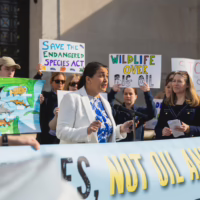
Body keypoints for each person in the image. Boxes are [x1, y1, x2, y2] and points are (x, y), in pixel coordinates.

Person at [56, 62, 134, 144]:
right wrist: (86, 131)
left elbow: (104, 134)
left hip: (102, 155)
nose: (106, 80)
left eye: (107, 76)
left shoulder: (105, 102)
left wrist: (121, 129)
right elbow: (61, 132)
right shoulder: (72, 98)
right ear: (88, 79)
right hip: (80, 155)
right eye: (101, 76)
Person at [155, 71, 200, 139]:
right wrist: (162, 131)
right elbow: (158, 128)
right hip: (168, 144)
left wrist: (189, 129)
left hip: (187, 145)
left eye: (179, 81)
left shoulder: (196, 103)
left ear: (187, 85)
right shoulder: (167, 103)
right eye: (174, 81)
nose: (175, 84)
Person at [36, 72, 66, 144]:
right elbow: (35, 88)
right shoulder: (45, 96)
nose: (60, 83)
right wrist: (39, 74)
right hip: (46, 137)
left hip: (62, 137)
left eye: (63, 81)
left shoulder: (68, 97)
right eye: (57, 81)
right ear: (51, 82)